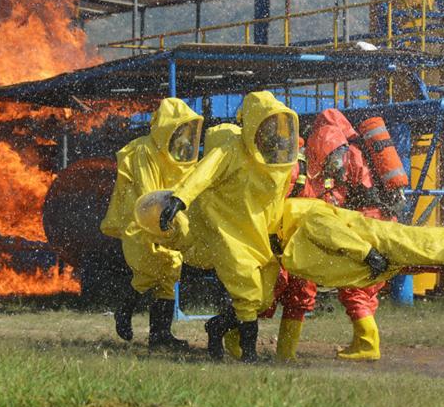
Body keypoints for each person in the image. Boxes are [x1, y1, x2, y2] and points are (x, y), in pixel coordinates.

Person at [141, 194, 444, 324]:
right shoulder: (258, 214)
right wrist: (366, 252)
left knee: (438, 250)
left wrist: (366, 253)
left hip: (321, 253)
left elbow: (320, 229)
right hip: (325, 249)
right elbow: (321, 229)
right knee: (431, 247)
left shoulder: (217, 228)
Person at [158, 91, 299, 363]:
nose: (273, 133)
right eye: (267, 125)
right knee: (247, 291)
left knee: (263, 297)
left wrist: (276, 232)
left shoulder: (276, 161)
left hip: (256, 234)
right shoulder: (230, 150)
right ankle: (249, 354)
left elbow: (274, 202)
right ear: (254, 124)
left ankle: (217, 327)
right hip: (224, 230)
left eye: (275, 125)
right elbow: (202, 175)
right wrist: (179, 199)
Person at [276, 108, 393, 361]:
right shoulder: (316, 169)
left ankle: (365, 345)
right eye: (334, 158)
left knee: (344, 288)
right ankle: (277, 350)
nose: (338, 165)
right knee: (282, 291)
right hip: (304, 237)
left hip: (358, 230)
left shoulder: (337, 168)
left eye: (340, 157)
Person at [100, 98, 203, 349]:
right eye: (179, 129)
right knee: (150, 268)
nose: (184, 136)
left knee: (171, 270)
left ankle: (160, 335)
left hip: (168, 219)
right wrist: (163, 216)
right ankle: (124, 310)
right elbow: (148, 193)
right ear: (167, 127)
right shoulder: (145, 149)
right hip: (142, 221)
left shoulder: (179, 154)